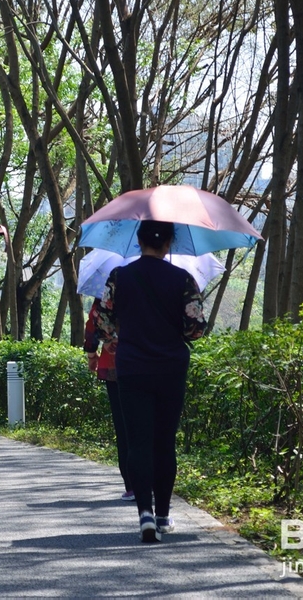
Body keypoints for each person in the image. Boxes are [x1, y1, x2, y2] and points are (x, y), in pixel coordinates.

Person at [95, 220, 207, 543]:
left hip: (131, 369)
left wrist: (119, 335)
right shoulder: (183, 279)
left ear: (139, 240)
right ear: (169, 242)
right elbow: (195, 330)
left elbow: (103, 323)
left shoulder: (119, 276)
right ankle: (163, 515)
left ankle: (144, 513)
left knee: (138, 442)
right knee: (164, 441)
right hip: (171, 369)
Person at [83, 299, 133, 501]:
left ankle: (132, 485)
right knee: (153, 426)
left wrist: (91, 354)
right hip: (155, 364)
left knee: (124, 426)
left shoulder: (112, 283)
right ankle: (156, 482)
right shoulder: (166, 279)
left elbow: (94, 321)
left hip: (116, 365)